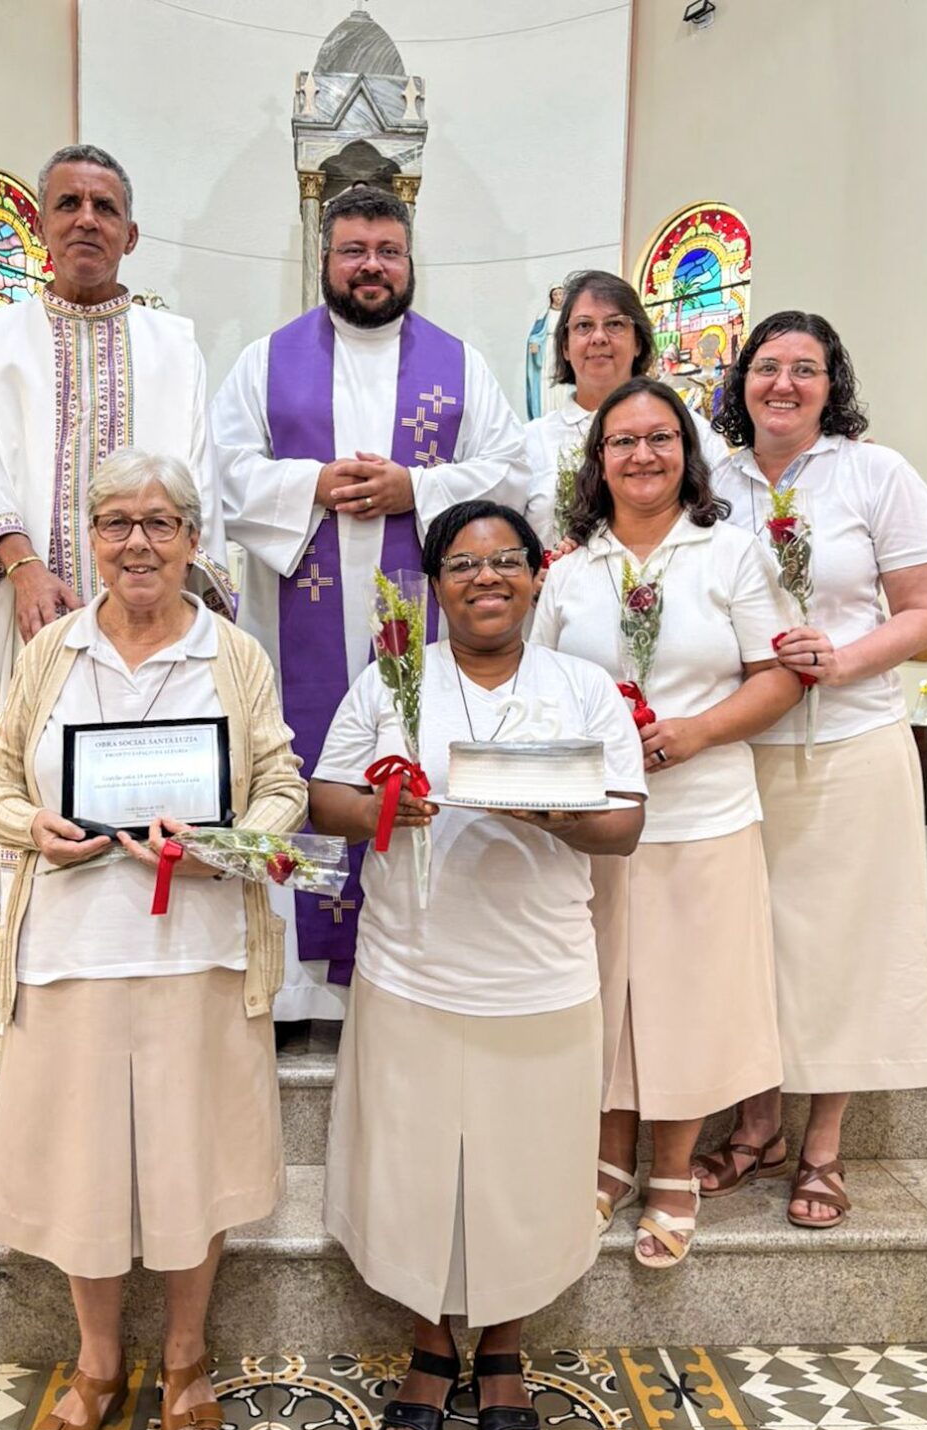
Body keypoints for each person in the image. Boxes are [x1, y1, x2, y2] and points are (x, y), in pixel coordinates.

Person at [0, 450, 305, 1430]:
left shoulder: (231, 655)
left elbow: (282, 781)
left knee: (187, 1165)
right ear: (93, 540)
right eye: (117, 523)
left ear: (194, 541)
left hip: (196, 952)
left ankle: (190, 1354)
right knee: (82, 1169)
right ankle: (99, 1363)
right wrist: (34, 825)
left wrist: (223, 844)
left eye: (161, 523)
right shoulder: (51, 652)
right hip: (71, 954)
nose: (139, 543)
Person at [310, 500, 644, 1430]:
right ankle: (427, 1344)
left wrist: (553, 808)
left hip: (539, 976)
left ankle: (502, 1350)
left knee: (527, 1173)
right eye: (463, 563)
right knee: (413, 1170)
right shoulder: (393, 682)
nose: (486, 578)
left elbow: (624, 823)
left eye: (505, 561)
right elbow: (326, 797)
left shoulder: (583, 689)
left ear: (538, 576)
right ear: (435, 585)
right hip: (411, 968)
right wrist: (388, 808)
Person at [212, 184, 528, 1028]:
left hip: (421, 630)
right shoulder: (266, 361)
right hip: (295, 636)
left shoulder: (458, 364)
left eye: (388, 250)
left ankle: (403, 963)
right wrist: (311, 483)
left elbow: (510, 473)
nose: (372, 266)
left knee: (410, 755)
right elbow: (223, 476)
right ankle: (298, 992)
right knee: (301, 768)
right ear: (325, 258)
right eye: (354, 250)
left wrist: (413, 487)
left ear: (410, 258)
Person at [0, 144, 232, 972]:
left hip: (152, 617)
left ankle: (157, 936)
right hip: (37, 614)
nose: (86, 219)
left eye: (104, 207)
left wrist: (172, 586)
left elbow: (195, 470)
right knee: (34, 772)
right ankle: (33, 950)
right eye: (67, 205)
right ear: (44, 227)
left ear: (132, 234)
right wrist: (20, 565)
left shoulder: (175, 344)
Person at [533, 380, 802, 1266]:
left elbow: (778, 675)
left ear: (687, 454)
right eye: (622, 442)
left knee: (689, 996)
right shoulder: (570, 572)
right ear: (597, 461)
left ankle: (674, 1169)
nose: (642, 455)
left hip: (707, 808)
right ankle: (608, 1158)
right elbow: (538, 686)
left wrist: (693, 733)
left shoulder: (729, 554)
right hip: (601, 820)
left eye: (660, 438)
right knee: (605, 990)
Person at [704, 310, 927, 1226]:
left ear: (831, 383)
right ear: (743, 382)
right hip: (741, 746)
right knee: (751, 942)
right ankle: (755, 1124)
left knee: (842, 943)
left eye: (806, 369)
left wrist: (839, 659)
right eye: (768, 367)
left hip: (851, 740)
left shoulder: (878, 474)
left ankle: (823, 1147)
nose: (784, 385)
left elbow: (922, 610)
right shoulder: (712, 480)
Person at [525, 270, 725, 548]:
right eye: (583, 326)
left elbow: (722, 526)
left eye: (615, 324)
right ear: (565, 347)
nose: (598, 337)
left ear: (638, 342)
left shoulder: (689, 430)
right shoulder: (528, 442)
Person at [524, 283, 568, 420]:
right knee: (546, 379)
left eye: (560, 294)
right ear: (551, 297)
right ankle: (546, 411)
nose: (558, 297)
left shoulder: (569, 314)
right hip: (548, 349)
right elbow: (536, 334)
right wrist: (534, 343)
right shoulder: (544, 314)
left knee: (562, 379)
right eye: (555, 294)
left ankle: (563, 410)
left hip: (563, 348)